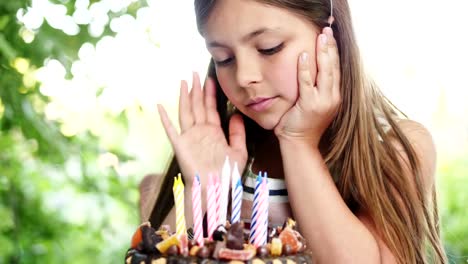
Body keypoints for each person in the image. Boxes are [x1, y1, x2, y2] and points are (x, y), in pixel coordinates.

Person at [141, 0, 447, 263]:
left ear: (332, 36)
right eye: (224, 58)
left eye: (269, 47)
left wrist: (298, 142)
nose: (245, 76)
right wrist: (205, 191)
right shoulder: (224, 149)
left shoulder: (396, 148)